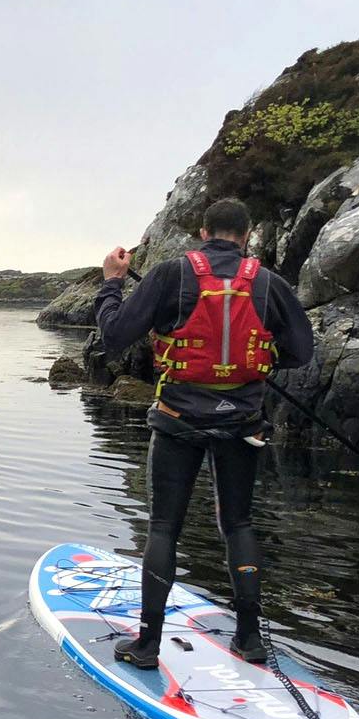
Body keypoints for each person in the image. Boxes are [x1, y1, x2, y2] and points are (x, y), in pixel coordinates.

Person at [95, 198, 313, 667]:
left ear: (202, 231)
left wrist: (112, 283)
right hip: (242, 424)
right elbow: (301, 351)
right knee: (238, 524)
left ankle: (148, 645)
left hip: (178, 420)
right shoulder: (268, 283)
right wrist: (261, 359)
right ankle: (249, 640)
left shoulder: (170, 275)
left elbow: (114, 336)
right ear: (248, 234)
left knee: (163, 527)